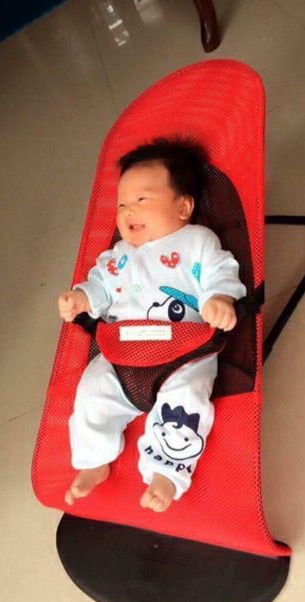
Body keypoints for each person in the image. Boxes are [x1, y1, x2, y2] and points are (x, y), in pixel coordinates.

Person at [58, 137, 246, 512]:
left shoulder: (196, 242)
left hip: (184, 350)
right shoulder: (119, 255)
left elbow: (220, 272)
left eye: (142, 199)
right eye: (122, 204)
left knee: (186, 401)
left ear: (183, 207)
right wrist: (83, 297)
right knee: (92, 391)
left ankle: (166, 470)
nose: (128, 210)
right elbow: (100, 284)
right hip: (123, 351)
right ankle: (94, 459)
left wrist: (218, 299)